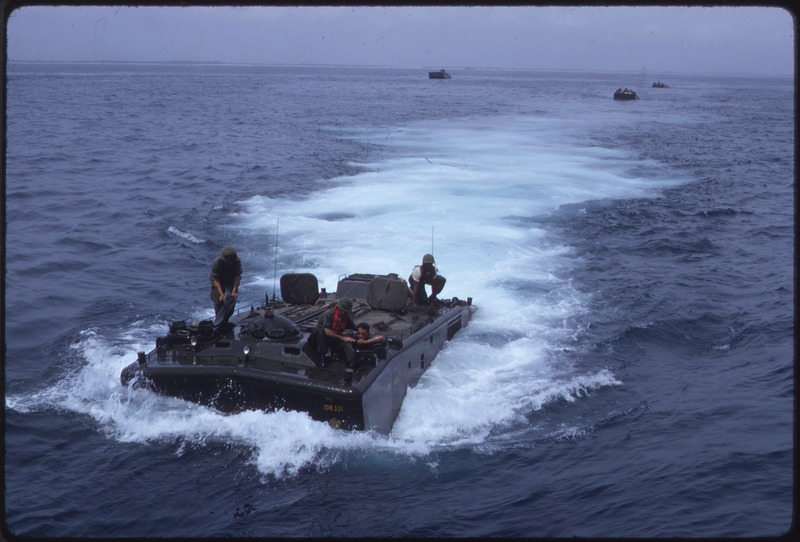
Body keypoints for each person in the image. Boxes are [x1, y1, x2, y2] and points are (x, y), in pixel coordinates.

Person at [315, 297, 357, 368]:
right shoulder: (328, 314)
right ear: (338, 308)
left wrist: (360, 329)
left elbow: (352, 325)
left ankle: (350, 361)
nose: (343, 313)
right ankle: (322, 357)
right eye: (342, 311)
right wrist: (343, 338)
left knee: (347, 345)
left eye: (345, 312)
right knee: (321, 332)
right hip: (323, 338)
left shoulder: (346, 315)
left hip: (336, 336)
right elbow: (326, 331)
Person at [210, 245, 242, 315]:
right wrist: (221, 294)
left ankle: (229, 314)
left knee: (232, 297)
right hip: (219, 279)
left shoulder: (236, 261)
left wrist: (234, 292)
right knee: (217, 298)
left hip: (231, 278)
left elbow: (237, 277)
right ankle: (218, 315)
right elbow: (215, 280)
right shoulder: (217, 263)